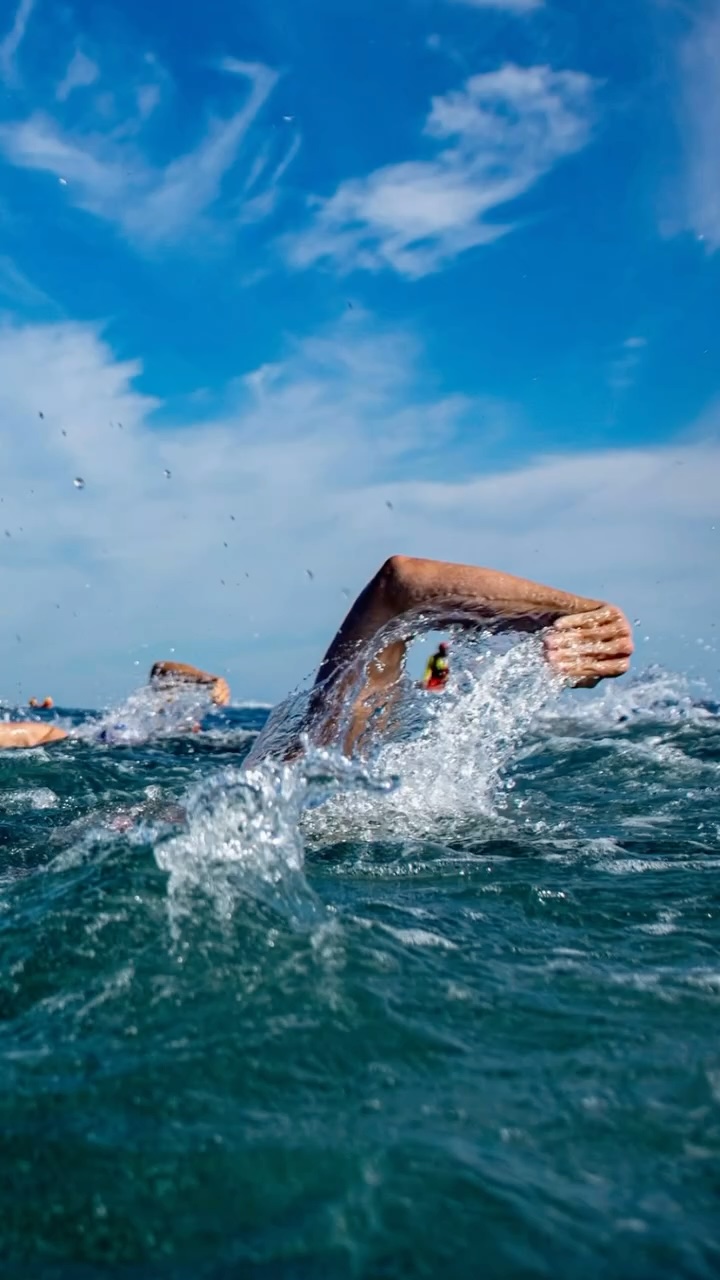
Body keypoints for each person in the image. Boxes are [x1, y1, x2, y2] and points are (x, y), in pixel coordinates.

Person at [0, 556, 633, 756]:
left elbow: (160, 672)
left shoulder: (59, 732)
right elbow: (399, 584)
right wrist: (581, 614)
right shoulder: (320, 769)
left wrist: (208, 677)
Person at [0, 662, 230, 749]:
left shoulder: (151, 713)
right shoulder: (145, 723)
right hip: (91, 743)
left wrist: (211, 681)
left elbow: (161, 670)